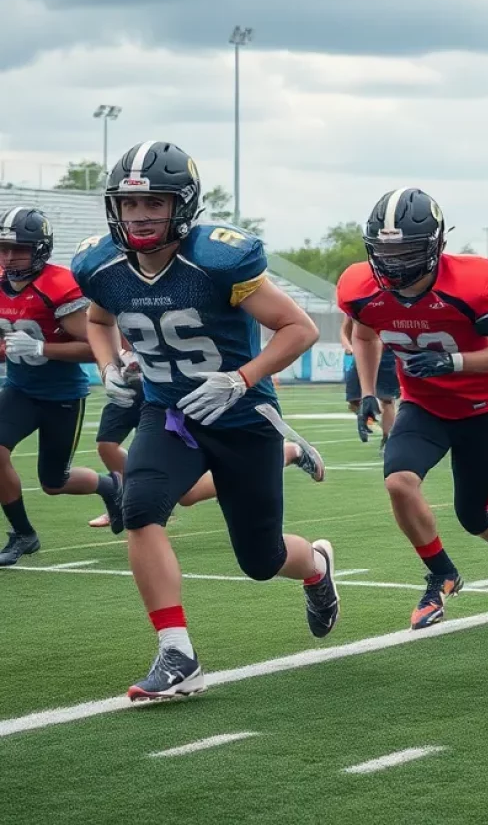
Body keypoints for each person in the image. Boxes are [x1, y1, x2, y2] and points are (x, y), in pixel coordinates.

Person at [72, 141, 338, 701]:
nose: (140, 217)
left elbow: (299, 330)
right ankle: (177, 653)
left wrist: (241, 377)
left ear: (183, 206)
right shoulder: (102, 266)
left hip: (242, 416)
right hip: (168, 411)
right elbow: (98, 321)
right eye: (129, 205)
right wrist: (108, 364)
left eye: (156, 205)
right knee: (140, 507)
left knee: (261, 559)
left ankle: (314, 566)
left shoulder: (216, 260)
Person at [337, 187, 488, 629]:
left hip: (481, 408)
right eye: (384, 250)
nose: (393, 261)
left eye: (406, 250)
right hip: (423, 407)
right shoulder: (363, 289)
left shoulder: (470, 286)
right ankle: (441, 574)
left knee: (474, 516)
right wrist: (368, 390)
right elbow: (365, 336)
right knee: (399, 483)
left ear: (434, 246)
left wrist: (454, 361)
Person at [0, 207, 124, 567]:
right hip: (20, 389)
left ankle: (111, 487)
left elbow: (95, 347)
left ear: (39, 248)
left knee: (54, 482)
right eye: (3, 248)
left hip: (61, 396)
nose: (9, 257)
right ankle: (23, 534)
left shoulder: (58, 285)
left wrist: (42, 348)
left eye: (18, 248)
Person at [88, 345, 325, 526]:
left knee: (187, 495)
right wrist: (108, 364)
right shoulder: (105, 287)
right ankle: (129, 498)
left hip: (171, 387)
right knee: (106, 445)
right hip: (131, 380)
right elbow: (98, 323)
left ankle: (288, 452)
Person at [341, 311, 399, 453]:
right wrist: (349, 347)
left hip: (388, 353)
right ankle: (372, 417)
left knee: (387, 399)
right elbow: (344, 329)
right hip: (364, 353)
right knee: (354, 401)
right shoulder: (357, 302)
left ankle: (388, 440)